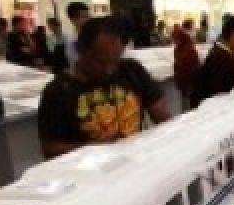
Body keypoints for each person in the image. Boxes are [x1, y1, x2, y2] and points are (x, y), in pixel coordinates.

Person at [37, 16, 172, 159]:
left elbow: (162, 115)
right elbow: (50, 149)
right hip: (92, 172)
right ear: (81, 50)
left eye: (115, 61)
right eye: (100, 62)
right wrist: (94, 148)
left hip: (135, 163)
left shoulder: (132, 70)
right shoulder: (58, 91)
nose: (109, 70)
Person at [173, 19, 201, 105]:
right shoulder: (186, 47)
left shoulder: (184, 48)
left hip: (186, 83)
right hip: (188, 84)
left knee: (187, 105)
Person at [65, 2, 91, 70]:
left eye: (89, 16)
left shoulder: (94, 34)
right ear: (73, 20)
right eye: (84, 17)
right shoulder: (72, 40)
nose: (89, 19)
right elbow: (77, 62)